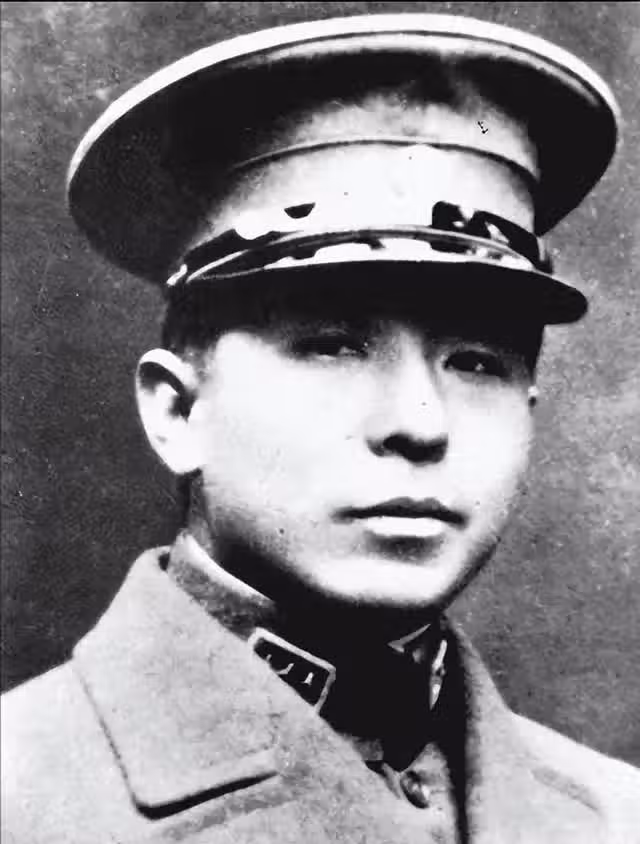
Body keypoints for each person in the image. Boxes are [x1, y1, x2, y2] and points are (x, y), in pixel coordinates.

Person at [2, 13, 639, 844]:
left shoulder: (617, 813)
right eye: (332, 346)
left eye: (478, 360)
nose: (418, 423)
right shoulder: (23, 795)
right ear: (179, 411)